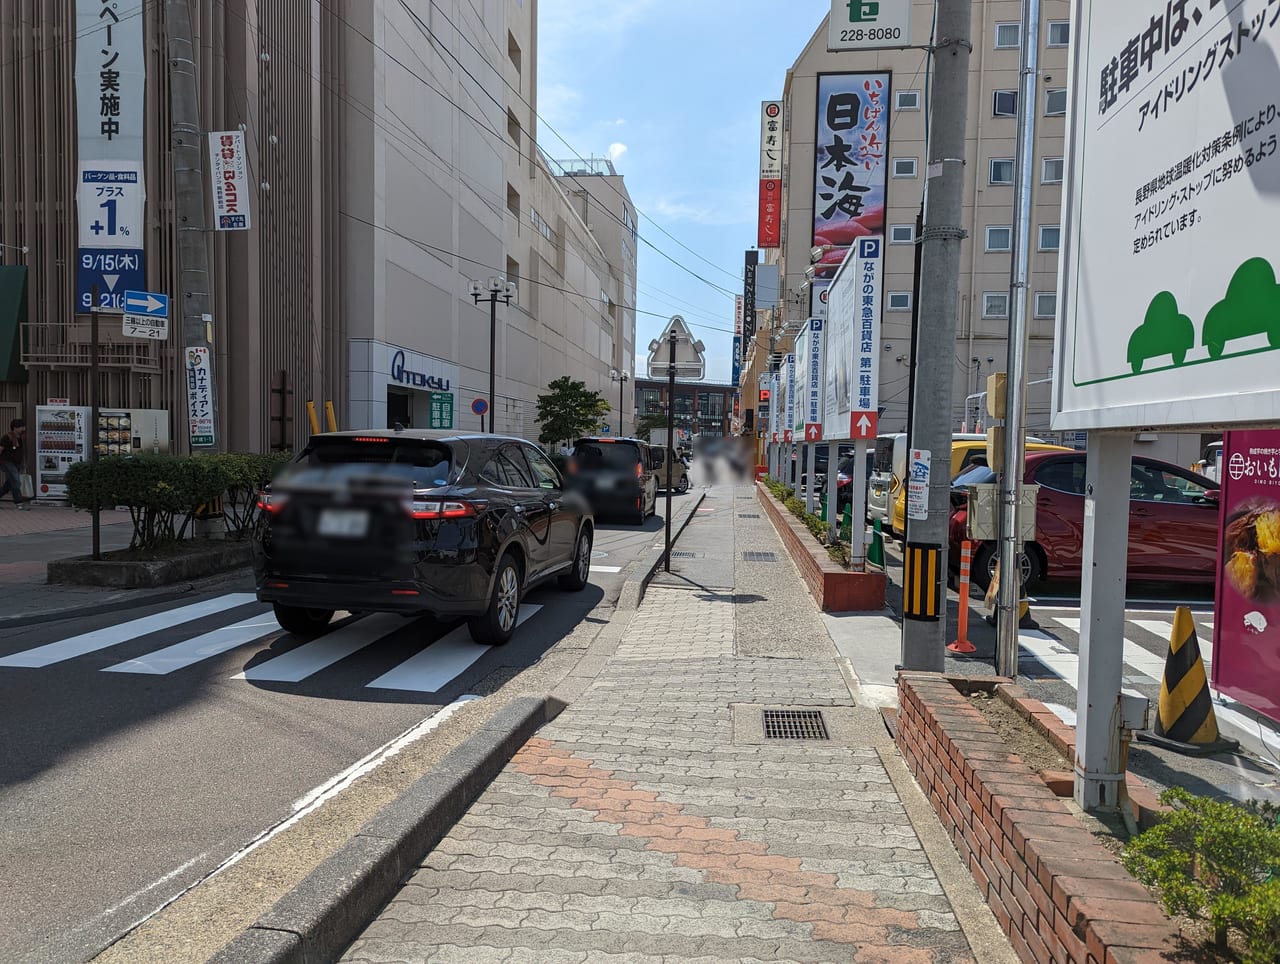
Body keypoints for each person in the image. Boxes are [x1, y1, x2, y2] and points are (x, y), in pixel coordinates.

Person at [0, 417, 30, 509]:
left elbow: (21, 451)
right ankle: (19, 503)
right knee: (16, 481)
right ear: (15, 427)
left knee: (9, 483)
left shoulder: (20, 438)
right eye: (21, 427)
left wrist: (23, 463)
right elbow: (0, 449)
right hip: (7, 462)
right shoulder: (6, 437)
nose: (23, 429)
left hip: (16, 463)